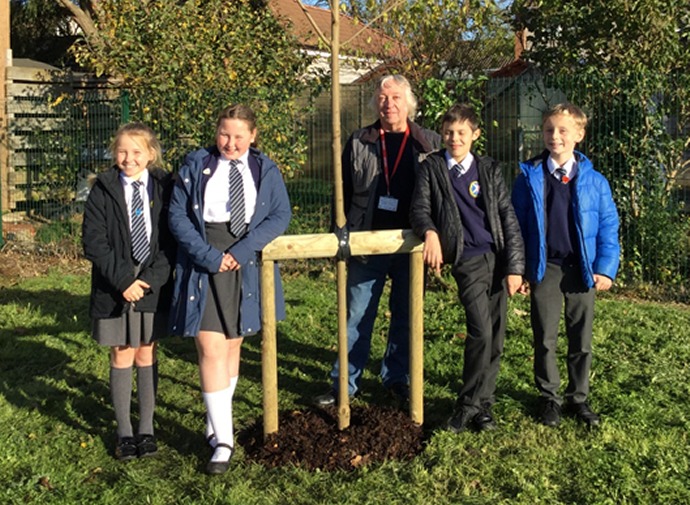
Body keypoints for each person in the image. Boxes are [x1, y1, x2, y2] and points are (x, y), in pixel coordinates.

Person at [168, 104, 291, 474]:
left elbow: (280, 215)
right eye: (225, 134)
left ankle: (215, 418)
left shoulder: (265, 169)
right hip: (204, 259)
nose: (231, 143)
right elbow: (176, 215)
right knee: (210, 345)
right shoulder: (195, 165)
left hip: (245, 259)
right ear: (216, 131)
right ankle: (224, 439)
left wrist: (241, 251)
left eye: (239, 136)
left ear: (253, 135)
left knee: (234, 342)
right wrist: (207, 255)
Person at [313, 74, 441, 408]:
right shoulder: (359, 141)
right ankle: (344, 383)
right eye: (383, 98)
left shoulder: (428, 143)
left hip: (409, 244)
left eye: (396, 98)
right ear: (375, 103)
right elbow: (339, 193)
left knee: (405, 315)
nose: (389, 104)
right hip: (365, 242)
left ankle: (396, 380)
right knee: (356, 314)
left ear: (409, 102)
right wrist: (338, 237)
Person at [409, 104, 525, 432]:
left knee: (496, 336)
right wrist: (430, 232)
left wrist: (515, 267)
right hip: (468, 260)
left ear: (475, 135)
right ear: (441, 134)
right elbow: (419, 208)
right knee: (481, 331)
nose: (454, 138)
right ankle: (467, 404)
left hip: (497, 260)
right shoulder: (432, 168)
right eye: (448, 132)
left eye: (461, 133)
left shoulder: (488, 169)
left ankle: (483, 405)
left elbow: (507, 217)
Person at [511, 103, 620, 428]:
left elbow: (607, 226)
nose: (554, 136)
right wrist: (521, 268)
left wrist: (605, 267)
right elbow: (515, 225)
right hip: (546, 269)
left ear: (579, 135)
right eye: (548, 130)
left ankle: (579, 398)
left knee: (580, 339)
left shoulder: (595, 182)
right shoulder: (528, 177)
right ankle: (549, 398)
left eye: (562, 130)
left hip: (581, 271)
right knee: (544, 337)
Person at [82, 122, 175, 460]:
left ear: (150, 154)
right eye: (122, 151)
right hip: (115, 284)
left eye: (137, 152)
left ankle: (146, 428)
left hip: (152, 282)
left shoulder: (165, 187)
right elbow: (94, 242)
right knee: (122, 352)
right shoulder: (103, 189)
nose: (128, 158)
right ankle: (124, 431)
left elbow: (171, 239)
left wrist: (149, 279)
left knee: (146, 351)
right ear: (113, 153)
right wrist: (124, 281)